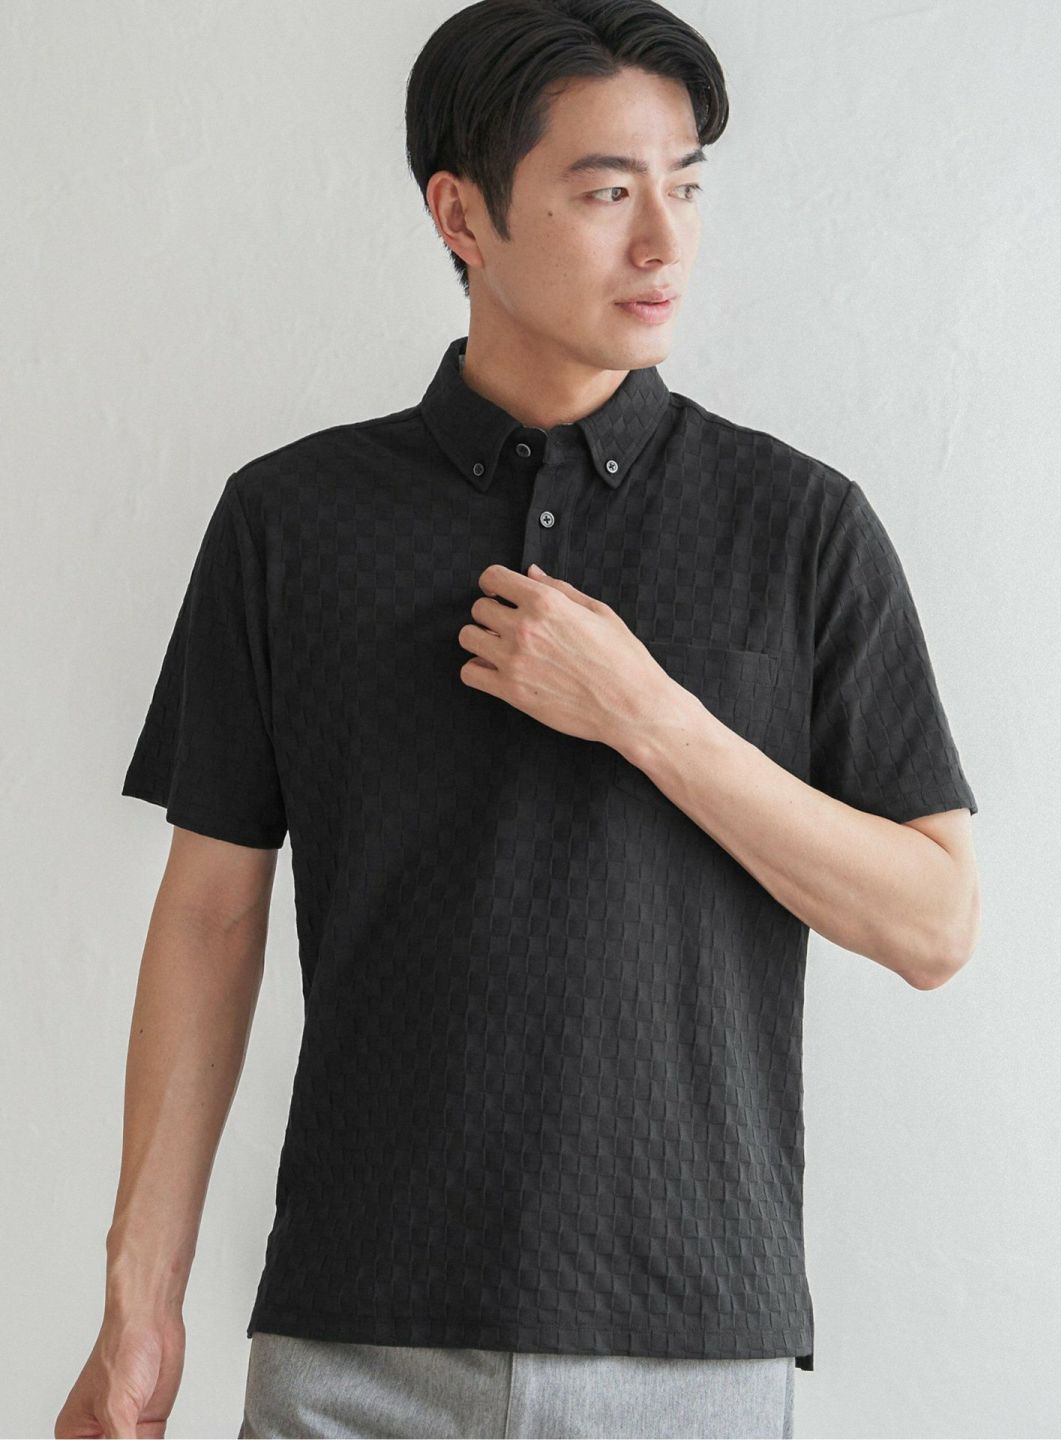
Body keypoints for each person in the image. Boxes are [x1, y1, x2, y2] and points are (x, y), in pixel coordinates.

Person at [56, 0, 981, 1436]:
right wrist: (138, 1302)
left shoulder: (799, 525)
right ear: (461, 215)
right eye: (608, 192)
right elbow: (210, 920)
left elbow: (934, 921)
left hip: (687, 1350)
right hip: (353, 1343)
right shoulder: (290, 522)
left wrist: (650, 716)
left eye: (686, 187)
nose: (664, 243)